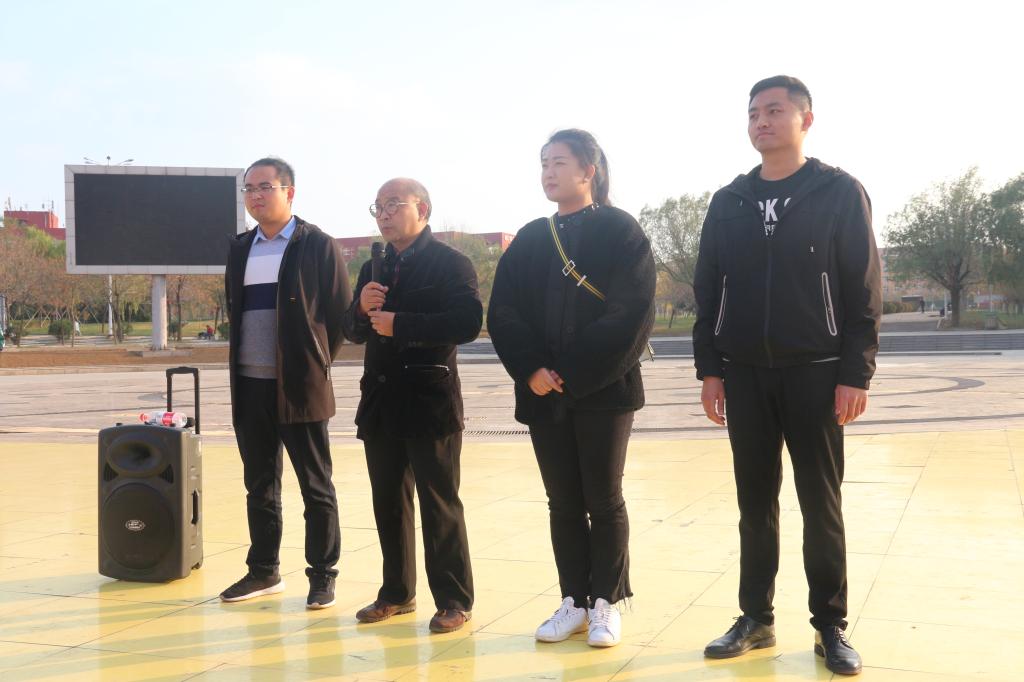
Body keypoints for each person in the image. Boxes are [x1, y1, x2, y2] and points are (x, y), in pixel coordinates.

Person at [692, 76, 881, 676]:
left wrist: (855, 373)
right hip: (745, 374)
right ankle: (756, 617)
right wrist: (710, 369)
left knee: (820, 503)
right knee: (754, 503)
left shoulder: (838, 192)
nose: (761, 122)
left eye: (774, 111)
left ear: (806, 119)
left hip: (817, 373)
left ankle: (830, 625)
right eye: (753, 113)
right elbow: (708, 289)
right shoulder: (729, 200)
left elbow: (863, 288)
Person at [487, 129, 656, 648]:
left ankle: (606, 602)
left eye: (559, 162)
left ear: (589, 170)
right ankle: (573, 601)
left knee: (603, 499)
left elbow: (631, 313)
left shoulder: (621, 231)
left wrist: (572, 372)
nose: (548, 172)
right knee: (561, 501)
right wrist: (532, 368)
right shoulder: (531, 238)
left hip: (604, 390)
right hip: (542, 391)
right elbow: (503, 310)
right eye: (544, 163)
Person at [342, 178, 481, 634]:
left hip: (429, 401)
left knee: (439, 504)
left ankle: (454, 600)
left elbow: (467, 322)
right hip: (381, 402)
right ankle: (396, 593)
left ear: (422, 209)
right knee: (388, 503)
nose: (383, 214)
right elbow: (353, 331)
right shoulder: (373, 266)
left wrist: (400, 323)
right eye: (378, 207)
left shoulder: (451, 263)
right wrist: (360, 309)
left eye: (393, 205)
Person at [220, 157, 352, 610]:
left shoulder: (316, 244)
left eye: (265, 186)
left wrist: (313, 363)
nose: (255, 195)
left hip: (300, 386)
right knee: (260, 486)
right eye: (249, 188)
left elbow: (339, 316)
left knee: (316, 486)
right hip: (249, 386)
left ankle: (322, 575)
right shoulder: (241, 248)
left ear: (289, 192)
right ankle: (264, 571)